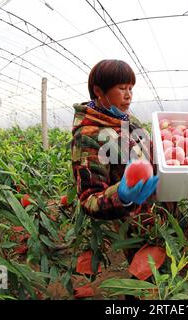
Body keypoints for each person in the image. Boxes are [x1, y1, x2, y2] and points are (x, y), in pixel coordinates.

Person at [71, 59, 171, 268]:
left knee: (164, 268)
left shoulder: (125, 117)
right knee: (147, 274)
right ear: (99, 91)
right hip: (134, 223)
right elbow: (88, 199)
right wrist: (122, 196)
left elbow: (144, 145)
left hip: (156, 209)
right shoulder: (89, 136)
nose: (129, 95)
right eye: (122, 88)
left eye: (131, 88)